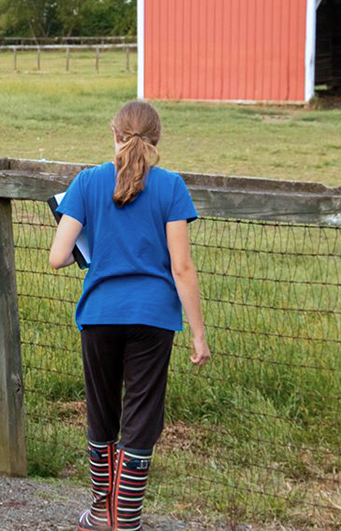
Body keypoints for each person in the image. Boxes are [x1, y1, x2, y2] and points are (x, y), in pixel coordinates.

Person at [49, 100, 211, 531]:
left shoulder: (87, 182)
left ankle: (102, 512)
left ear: (114, 134)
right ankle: (127, 519)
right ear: (156, 139)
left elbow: (57, 256)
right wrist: (199, 334)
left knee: (102, 412)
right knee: (142, 416)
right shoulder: (172, 187)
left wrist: (95, 246)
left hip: (100, 312)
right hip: (154, 317)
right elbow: (182, 267)